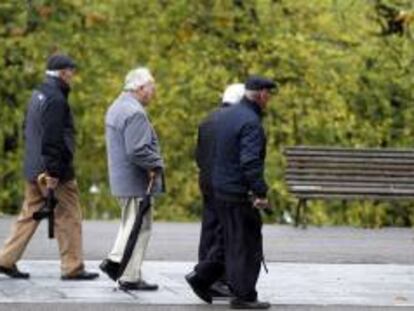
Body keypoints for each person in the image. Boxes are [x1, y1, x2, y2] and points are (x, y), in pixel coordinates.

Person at [0, 54, 99, 280]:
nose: (73, 76)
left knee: (30, 214)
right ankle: (73, 267)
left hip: (34, 166)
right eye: (71, 71)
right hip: (53, 172)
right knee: (69, 216)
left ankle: (6, 259)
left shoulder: (38, 94)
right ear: (63, 73)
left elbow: (29, 128)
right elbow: (53, 138)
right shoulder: (56, 99)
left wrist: (38, 166)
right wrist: (54, 172)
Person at [186, 76, 277, 309]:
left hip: (219, 188)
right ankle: (244, 295)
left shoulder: (224, 116)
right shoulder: (251, 122)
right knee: (246, 243)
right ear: (262, 95)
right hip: (238, 191)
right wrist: (260, 192)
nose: (270, 99)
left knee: (229, 239)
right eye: (270, 94)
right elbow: (249, 162)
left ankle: (202, 276)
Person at [100, 67, 164, 291]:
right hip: (135, 182)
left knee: (132, 224)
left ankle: (125, 269)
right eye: (151, 87)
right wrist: (156, 163)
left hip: (123, 180)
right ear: (139, 88)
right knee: (139, 226)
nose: (153, 92)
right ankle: (124, 270)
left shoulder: (117, 106)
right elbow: (137, 150)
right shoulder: (134, 112)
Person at [195, 83, 245, 298]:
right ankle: (215, 278)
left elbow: (198, 154)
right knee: (226, 232)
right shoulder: (235, 121)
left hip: (206, 180)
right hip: (225, 184)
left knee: (209, 228)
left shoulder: (207, 119)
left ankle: (204, 274)